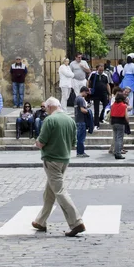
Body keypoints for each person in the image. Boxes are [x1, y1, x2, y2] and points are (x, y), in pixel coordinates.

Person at [32, 97, 85, 236]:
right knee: (49, 191)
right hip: (64, 159)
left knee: (60, 191)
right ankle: (41, 221)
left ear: (49, 107)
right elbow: (73, 143)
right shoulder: (70, 120)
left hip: (51, 159)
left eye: (46, 108)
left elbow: (41, 142)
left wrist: (37, 142)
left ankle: (76, 222)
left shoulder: (50, 120)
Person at [89, 64, 111, 129]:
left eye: (102, 70)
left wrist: (109, 94)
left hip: (104, 93)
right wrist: (88, 89)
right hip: (96, 94)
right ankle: (96, 124)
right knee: (96, 109)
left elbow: (107, 84)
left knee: (106, 106)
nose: (101, 71)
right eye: (100, 70)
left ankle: (101, 118)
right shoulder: (93, 74)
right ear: (97, 69)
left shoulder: (105, 75)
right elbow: (89, 81)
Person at [110, 92, 129, 160]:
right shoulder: (124, 106)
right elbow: (126, 116)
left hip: (113, 122)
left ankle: (115, 151)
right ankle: (118, 153)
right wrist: (127, 122)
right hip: (120, 122)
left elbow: (110, 114)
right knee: (120, 138)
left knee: (115, 137)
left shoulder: (113, 105)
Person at [74, 86, 90, 158]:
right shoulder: (81, 99)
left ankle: (79, 152)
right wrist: (88, 111)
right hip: (81, 120)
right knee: (81, 138)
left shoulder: (76, 98)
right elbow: (82, 110)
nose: (87, 95)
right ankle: (81, 152)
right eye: (86, 93)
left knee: (79, 137)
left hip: (77, 120)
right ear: (83, 91)